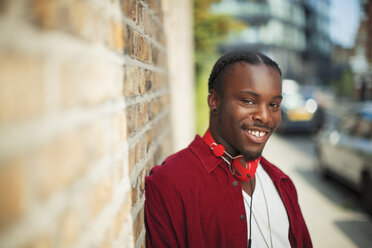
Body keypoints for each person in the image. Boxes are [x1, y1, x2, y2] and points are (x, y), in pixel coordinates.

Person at [145, 51, 312, 248]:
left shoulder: (283, 183)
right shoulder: (170, 183)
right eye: (248, 101)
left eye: (274, 105)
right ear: (214, 101)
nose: (265, 117)